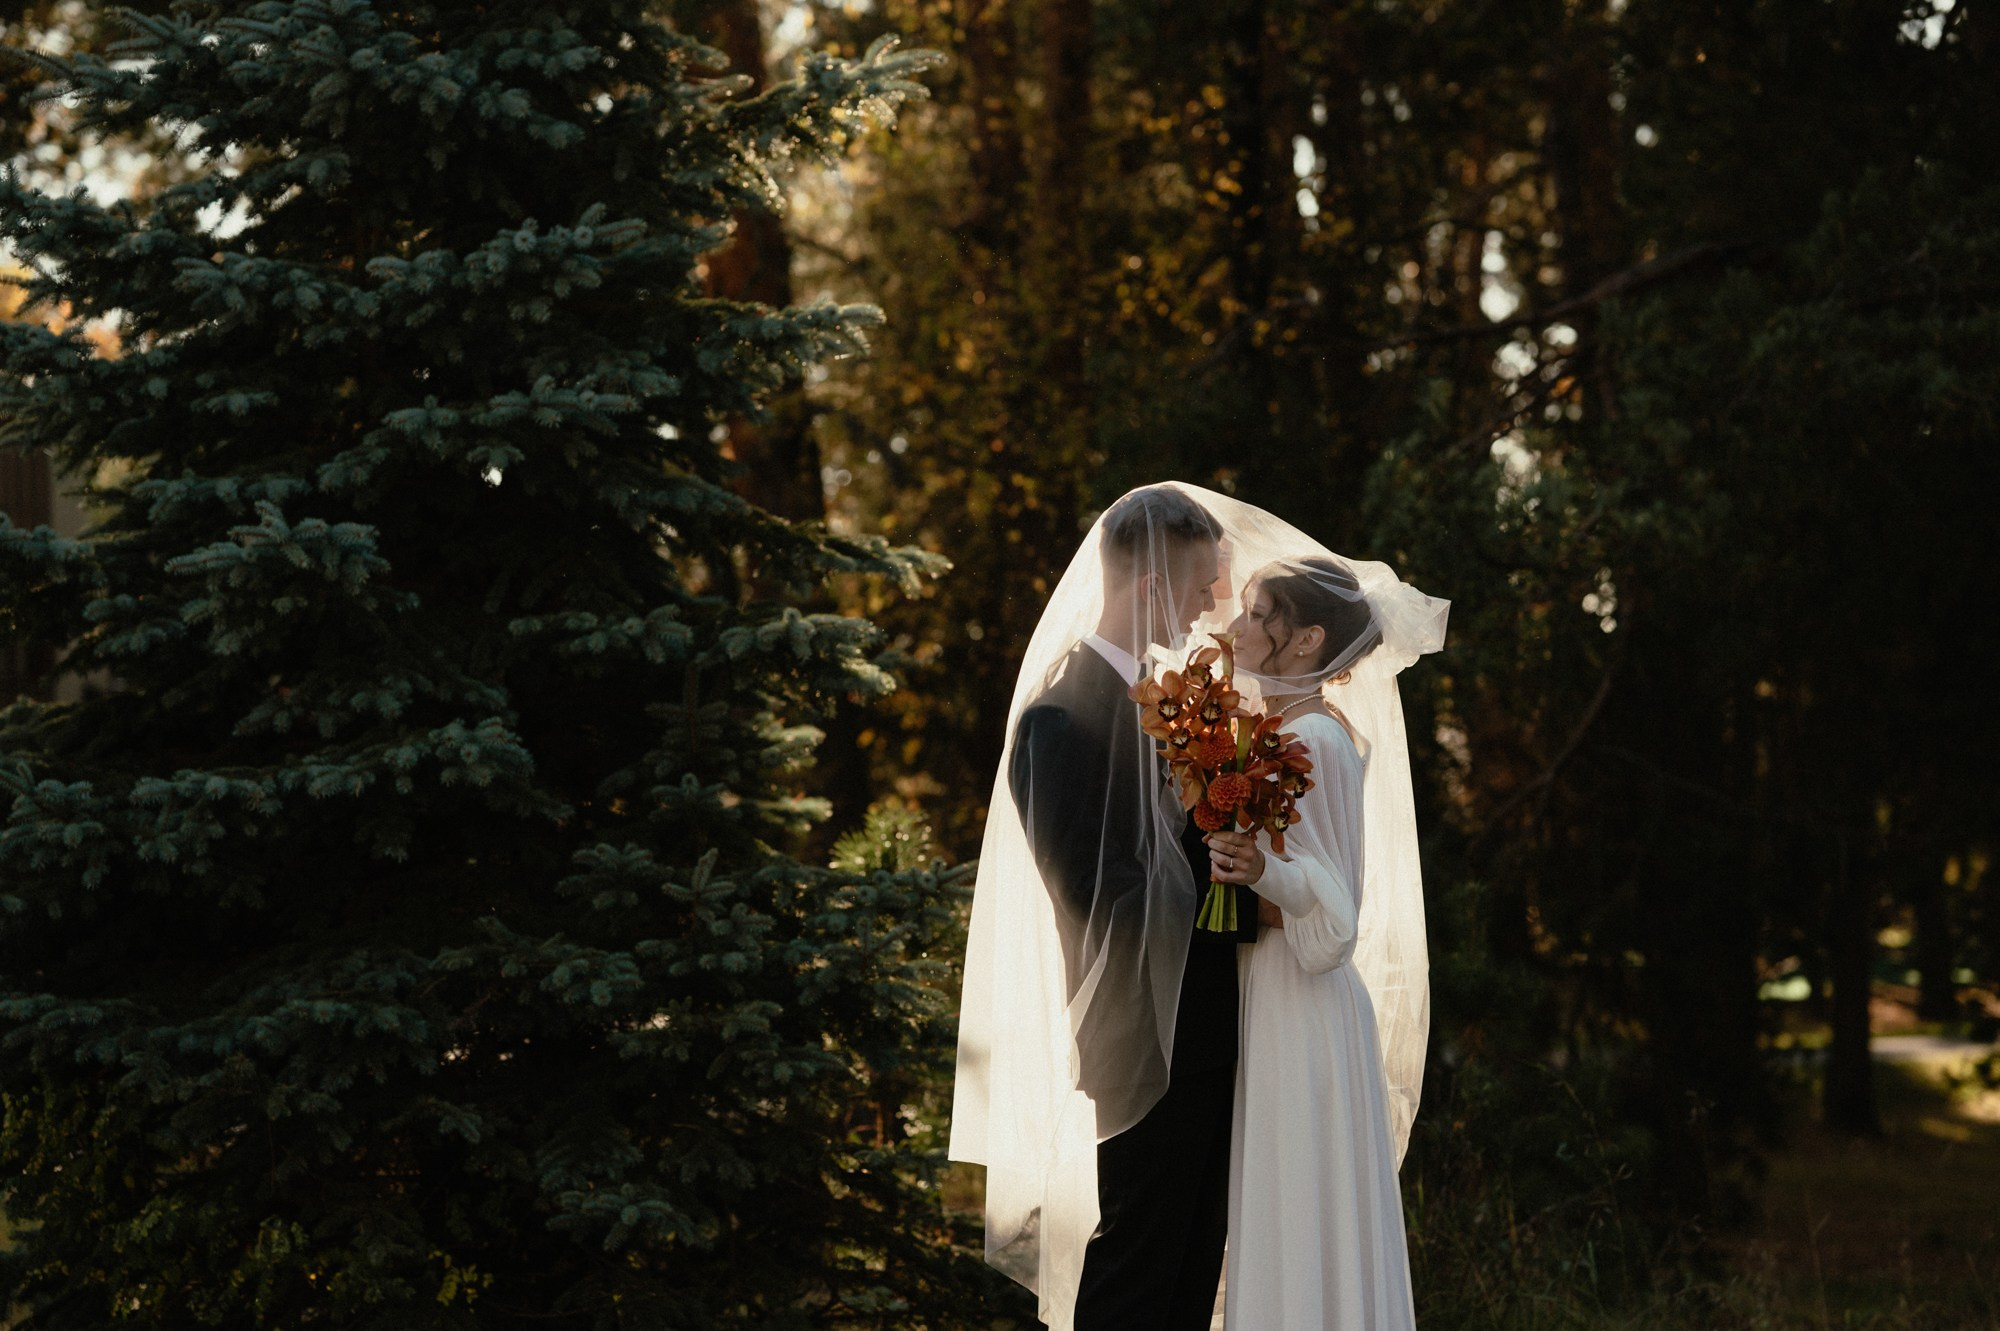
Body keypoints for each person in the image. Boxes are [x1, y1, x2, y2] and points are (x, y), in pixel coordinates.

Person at [950, 484, 1261, 1331]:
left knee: (1194, 1266)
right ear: (1153, 582)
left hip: (1206, 1027)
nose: (1208, 608)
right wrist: (1224, 867)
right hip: (1137, 1038)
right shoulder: (1059, 718)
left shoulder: (1171, 708)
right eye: (1201, 588)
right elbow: (1095, 896)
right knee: (1137, 1269)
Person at [1205, 551, 1447, 1329]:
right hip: (1268, 992)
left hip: (1302, 1006)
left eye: (1257, 613)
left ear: (1307, 639)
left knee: (1299, 1204)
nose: (1234, 626)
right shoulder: (1265, 733)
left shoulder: (1317, 742)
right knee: (1276, 1208)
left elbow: (1336, 926)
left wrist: (1260, 874)